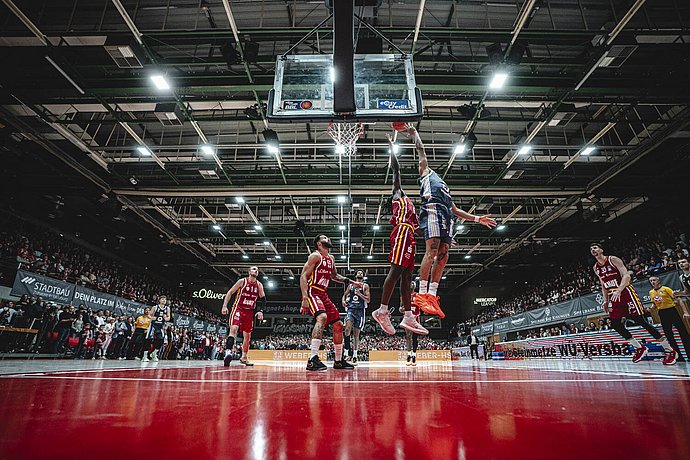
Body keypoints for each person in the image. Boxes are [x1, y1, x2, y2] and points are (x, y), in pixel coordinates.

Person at [394, 123, 496, 317]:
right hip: (431, 210)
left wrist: (477, 219)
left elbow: (455, 210)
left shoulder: (445, 187)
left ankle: (432, 295)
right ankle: (422, 293)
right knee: (432, 250)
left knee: (444, 254)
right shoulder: (426, 172)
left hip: (446, 217)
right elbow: (421, 150)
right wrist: (414, 134)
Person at [371, 132, 429, 337]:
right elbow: (396, 169)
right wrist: (391, 147)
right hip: (402, 232)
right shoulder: (398, 195)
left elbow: (420, 229)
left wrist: (440, 240)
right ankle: (382, 310)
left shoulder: (411, 209)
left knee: (407, 276)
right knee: (396, 271)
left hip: (410, 235)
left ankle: (408, 315)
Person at [590, 242, 675, 364]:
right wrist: (605, 301)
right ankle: (639, 347)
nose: (593, 250)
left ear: (601, 250)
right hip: (613, 295)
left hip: (625, 292)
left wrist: (619, 290)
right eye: (591, 249)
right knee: (615, 324)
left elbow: (627, 276)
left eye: (595, 247)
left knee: (641, 321)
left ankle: (669, 349)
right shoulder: (596, 267)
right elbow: (603, 285)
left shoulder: (613, 259)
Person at [300, 234, 355, 371]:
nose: (328, 239)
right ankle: (312, 359)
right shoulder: (315, 256)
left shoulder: (331, 258)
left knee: (338, 325)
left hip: (323, 293)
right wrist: (304, 298)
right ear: (318, 243)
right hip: (313, 291)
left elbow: (334, 276)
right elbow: (303, 276)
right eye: (324, 238)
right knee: (322, 317)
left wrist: (349, 281)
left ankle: (338, 361)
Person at [221, 266, 266, 367]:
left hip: (249, 312)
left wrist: (260, 311)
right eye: (254, 269)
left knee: (247, 336)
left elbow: (263, 299)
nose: (256, 271)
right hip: (238, 309)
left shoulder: (259, 285)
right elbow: (230, 292)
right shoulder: (242, 281)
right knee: (234, 329)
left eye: (257, 270)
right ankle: (228, 353)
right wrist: (224, 306)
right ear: (249, 272)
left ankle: (244, 357)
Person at [649, 276, 689, 363]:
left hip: (671, 311)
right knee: (669, 335)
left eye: (654, 280)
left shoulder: (666, 289)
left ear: (658, 281)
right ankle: (678, 356)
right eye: (651, 281)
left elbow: (678, 299)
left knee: (683, 332)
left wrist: (685, 312)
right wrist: (650, 308)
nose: (652, 282)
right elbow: (654, 304)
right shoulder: (651, 292)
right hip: (662, 313)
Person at [341, 269, 370, 365]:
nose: (360, 273)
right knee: (347, 329)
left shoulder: (365, 286)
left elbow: (368, 300)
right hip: (351, 309)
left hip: (360, 311)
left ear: (363, 276)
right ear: (356, 275)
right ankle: (346, 351)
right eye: (358, 272)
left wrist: (360, 294)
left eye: (361, 273)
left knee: (356, 335)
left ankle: (355, 355)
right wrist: (343, 301)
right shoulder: (351, 285)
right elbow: (344, 295)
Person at [400, 281, 422, 366]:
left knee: (415, 337)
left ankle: (414, 355)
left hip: (415, 318)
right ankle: (409, 354)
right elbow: (400, 308)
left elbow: (421, 307)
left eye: (412, 283)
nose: (411, 284)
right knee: (408, 336)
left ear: (414, 286)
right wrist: (401, 309)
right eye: (410, 283)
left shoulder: (418, 295)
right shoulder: (404, 296)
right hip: (407, 318)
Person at [143, 296, 171, 362]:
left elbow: (168, 317)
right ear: (159, 300)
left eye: (165, 299)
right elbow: (149, 315)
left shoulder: (167, 308)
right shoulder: (155, 307)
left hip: (160, 326)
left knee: (161, 340)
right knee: (149, 339)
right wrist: (152, 318)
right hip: (153, 325)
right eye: (162, 299)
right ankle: (145, 356)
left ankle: (154, 353)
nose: (164, 300)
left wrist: (165, 318)